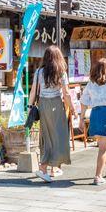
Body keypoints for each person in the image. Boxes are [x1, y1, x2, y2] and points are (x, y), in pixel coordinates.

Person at [28, 44, 72, 182]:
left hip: (43, 104)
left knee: (46, 136)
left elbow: (34, 91)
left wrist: (30, 106)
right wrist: (73, 109)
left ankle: (51, 168)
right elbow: (66, 93)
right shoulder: (61, 72)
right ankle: (45, 167)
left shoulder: (39, 72)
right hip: (57, 105)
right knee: (59, 136)